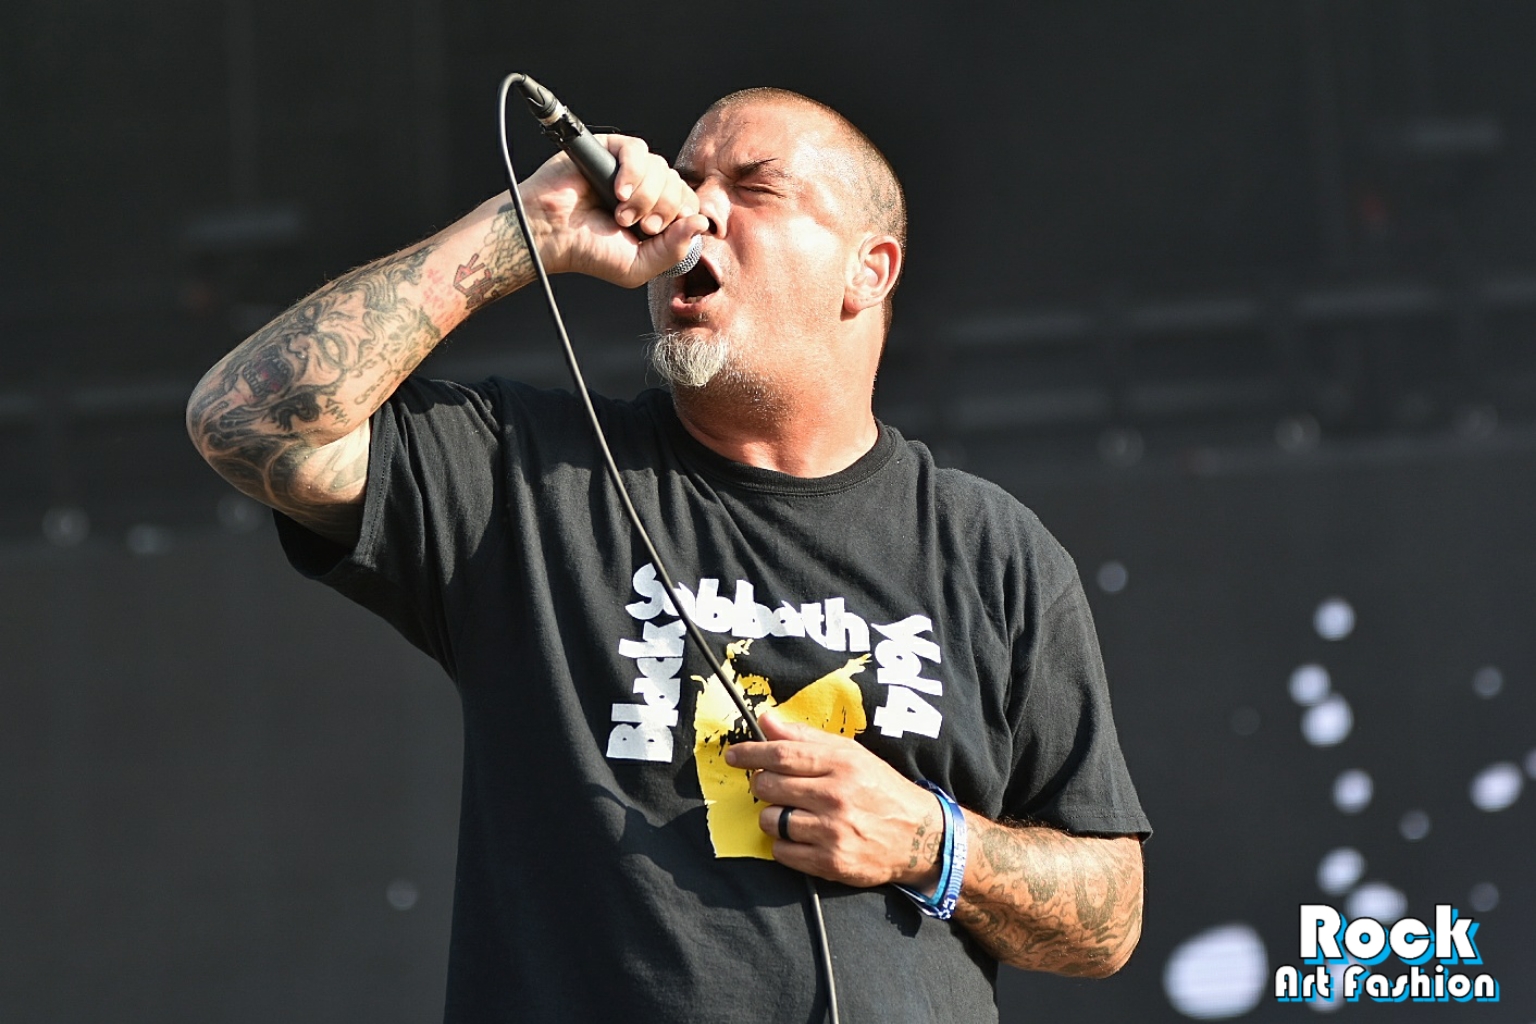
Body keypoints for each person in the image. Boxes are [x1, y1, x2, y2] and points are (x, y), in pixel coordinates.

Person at [187, 86, 1150, 1022]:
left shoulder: (994, 551)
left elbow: (1108, 917)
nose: (698, 209)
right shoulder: (526, 472)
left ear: (870, 270)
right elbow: (246, 421)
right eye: (690, 182)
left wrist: (928, 842)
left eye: (755, 187)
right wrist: (526, 228)